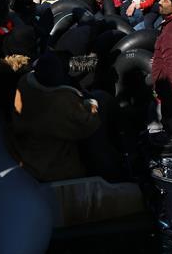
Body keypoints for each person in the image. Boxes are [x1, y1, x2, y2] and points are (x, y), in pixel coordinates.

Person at [6, 52, 102, 182]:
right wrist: (92, 104)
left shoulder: (24, 82)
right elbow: (89, 125)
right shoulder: (62, 102)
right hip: (48, 166)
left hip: (24, 147)